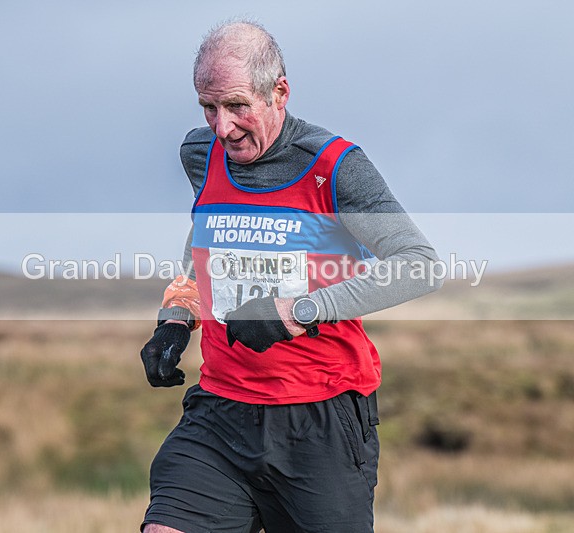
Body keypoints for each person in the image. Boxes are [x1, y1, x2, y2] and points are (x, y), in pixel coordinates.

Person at [140, 20, 442, 533]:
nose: (222, 127)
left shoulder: (335, 167)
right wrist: (176, 315)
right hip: (221, 411)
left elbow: (418, 265)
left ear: (279, 91)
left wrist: (295, 312)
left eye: (237, 106)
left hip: (319, 419)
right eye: (208, 108)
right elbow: (208, 239)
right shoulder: (202, 154)